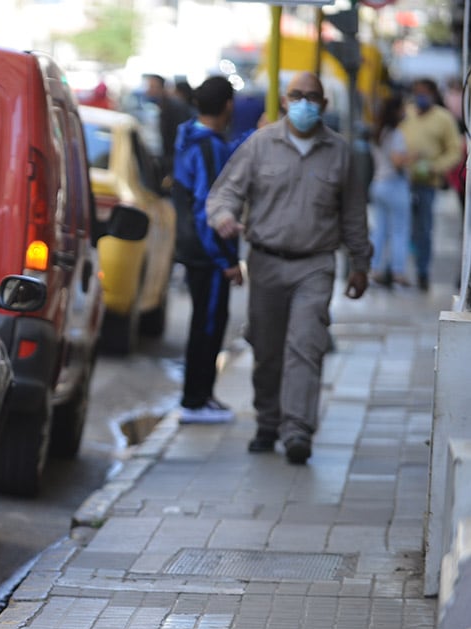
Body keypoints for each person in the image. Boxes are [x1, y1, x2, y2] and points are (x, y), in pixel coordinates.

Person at [206, 71, 372, 465]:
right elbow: (225, 193)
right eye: (296, 95)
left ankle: (298, 429)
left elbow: (353, 214)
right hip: (265, 263)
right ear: (284, 100)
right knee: (267, 349)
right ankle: (268, 421)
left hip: (314, 266)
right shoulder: (260, 145)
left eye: (312, 97)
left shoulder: (340, 152)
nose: (304, 103)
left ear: (324, 105)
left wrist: (361, 264)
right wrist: (225, 217)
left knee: (306, 347)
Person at [173, 76, 248, 424]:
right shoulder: (208, 148)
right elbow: (211, 210)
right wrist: (228, 260)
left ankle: (199, 396)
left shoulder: (191, 136)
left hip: (196, 250)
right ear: (228, 106)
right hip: (208, 253)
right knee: (208, 324)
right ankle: (196, 399)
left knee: (205, 320)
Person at [399, 77, 463, 291]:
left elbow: (455, 150)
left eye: (425, 92)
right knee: (401, 228)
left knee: (424, 229)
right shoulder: (406, 113)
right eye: (417, 92)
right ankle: (396, 271)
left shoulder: (443, 119)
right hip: (402, 180)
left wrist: (436, 167)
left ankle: (422, 272)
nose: (421, 97)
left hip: (428, 183)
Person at [368, 95, 414, 288]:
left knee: (379, 230)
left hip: (378, 184)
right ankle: (398, 272)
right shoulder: (395, 134)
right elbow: (397, 162)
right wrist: (411, 158)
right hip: (394, 185)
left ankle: (374, 268)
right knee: (399, 230)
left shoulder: (380, 132)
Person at [144, 73, 192, 183]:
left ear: (161, 88)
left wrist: (172, 172)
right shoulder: (163, 106)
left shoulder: (174, 107)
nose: (148, 90)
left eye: (152, 87)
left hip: (175, 166)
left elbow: (180, 140)